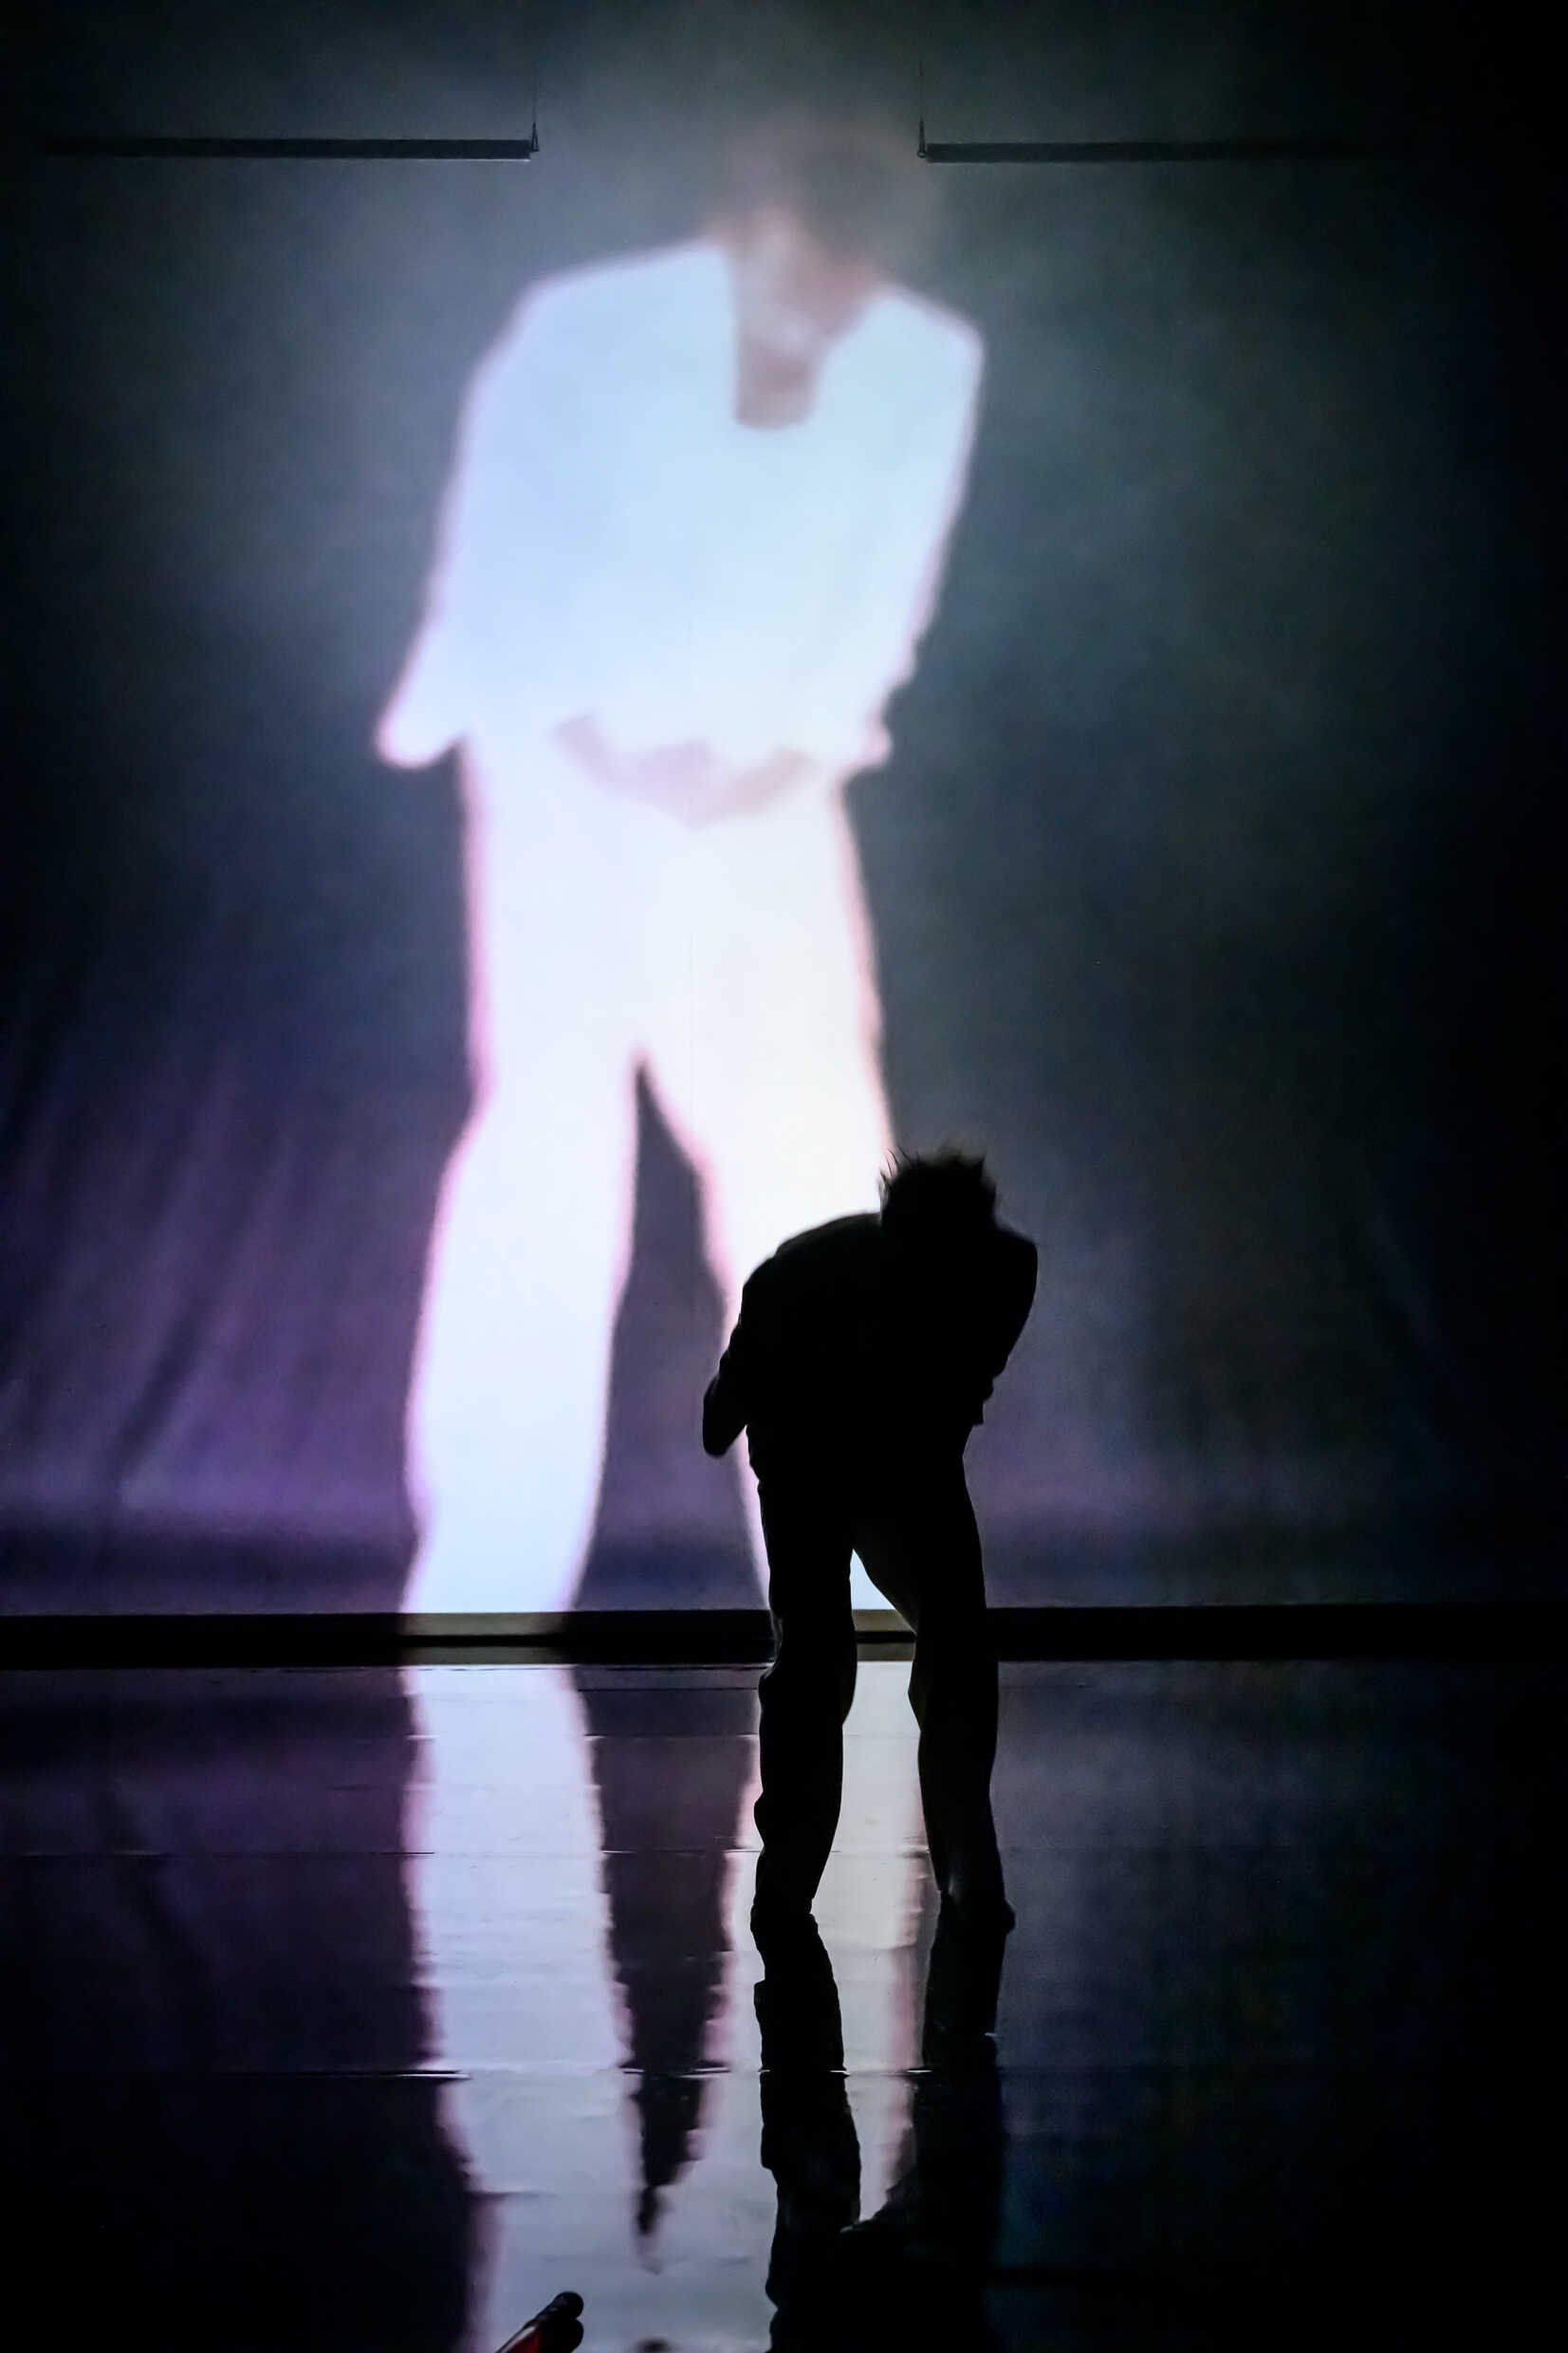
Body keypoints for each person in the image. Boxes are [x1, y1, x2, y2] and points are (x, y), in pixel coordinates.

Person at [376, 115, 986, 1613]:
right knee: (551, 1150)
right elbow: (496, 574)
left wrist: (766, 763)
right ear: (738, 227)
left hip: (763, 796)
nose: (807, 318)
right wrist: (614, 754)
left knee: (817, 1166)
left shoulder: (923, 363)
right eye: (785, 278)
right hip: (560, 775)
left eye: (838, 292)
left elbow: (876, 612)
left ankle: (850, 1569)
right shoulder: (581, 335)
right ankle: (484, 1583)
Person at [702, 1150, 1037, 1952]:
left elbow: (720, 1420)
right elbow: (722, 1418)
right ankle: (821, 1880)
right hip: (820, 1464)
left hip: (880, 1462)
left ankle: (819, 1883)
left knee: (889, 1656)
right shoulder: (803, 1278)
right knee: (833, 1663)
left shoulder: (995, 1271)